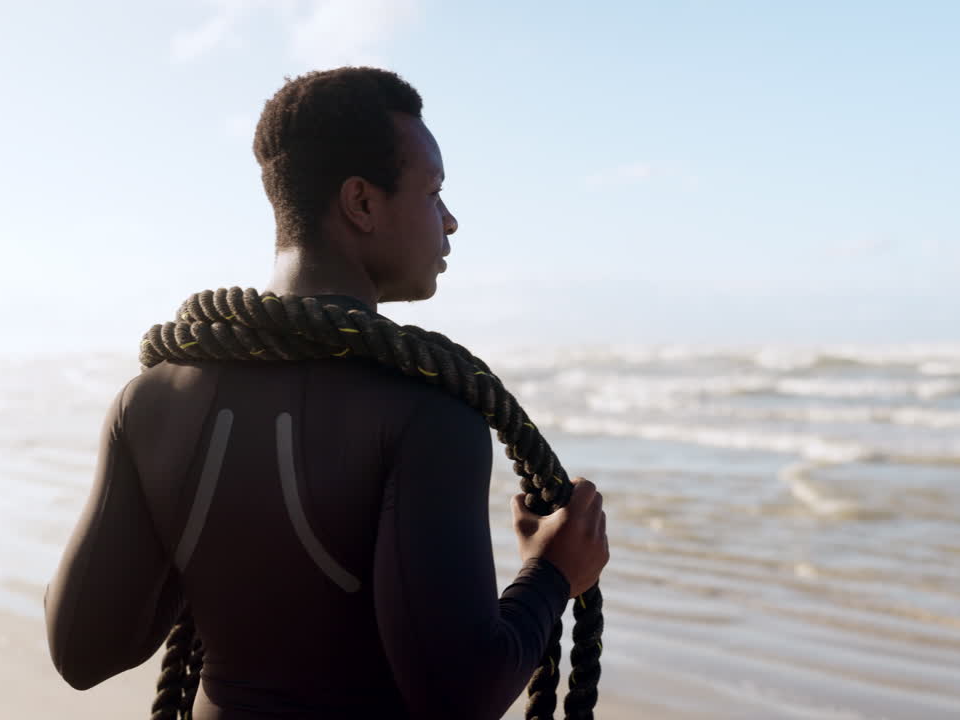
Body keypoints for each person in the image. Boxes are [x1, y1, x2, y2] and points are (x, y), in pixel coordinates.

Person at [42, 66, 609, 720]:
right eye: (434, 193)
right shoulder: (427, 411)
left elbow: (82, 652)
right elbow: (460, 693)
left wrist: (196, 531)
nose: (450, 221)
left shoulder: (150, 401)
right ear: (362, 203)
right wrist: (553, 573)